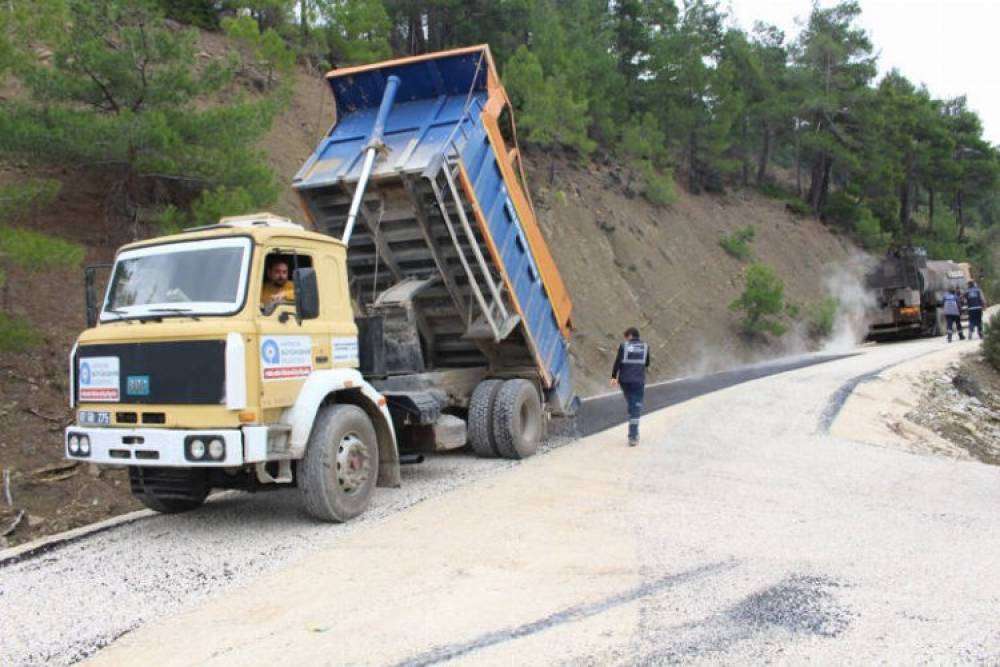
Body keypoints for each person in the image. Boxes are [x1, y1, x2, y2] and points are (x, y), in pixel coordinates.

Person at [610, 327, 650, 447]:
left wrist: (613, 377)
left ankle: (632, 410)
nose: (626, 339)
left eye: (626, 337)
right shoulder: (646, 347)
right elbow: (647, 363)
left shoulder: (623, 346)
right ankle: (633, 436)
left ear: (630, 336)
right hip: (638, 381)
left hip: (625, 381)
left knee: (632, 403)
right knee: (636, 408)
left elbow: (617, 362)